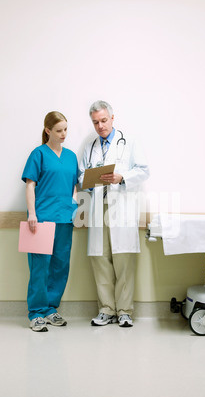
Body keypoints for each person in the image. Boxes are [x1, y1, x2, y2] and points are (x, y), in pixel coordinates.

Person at [78, 100, 149, 327]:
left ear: (112, 118)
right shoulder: (89, 146)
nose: (100, 126)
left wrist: (122, 177)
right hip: (98, 207)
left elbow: (144, 170)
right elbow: (81, 175)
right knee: (100, 260)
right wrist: (88, 181)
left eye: (103, 120)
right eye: (95, 122)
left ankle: (125, 311)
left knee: (124, 260)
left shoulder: (128, 142)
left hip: (122, 207)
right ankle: (106, 310)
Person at [22, 111, 78, 332]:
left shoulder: (71, 156)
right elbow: (29, 185)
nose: (64, 134)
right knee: (40, 267)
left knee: (60, 266)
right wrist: (32, 214)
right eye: (59, 130)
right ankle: (36, 313)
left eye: (66, 129)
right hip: (41, 219)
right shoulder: (38, 154)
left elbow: (76, 184)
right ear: (48, 131)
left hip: (65, 217)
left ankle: (50, 309)